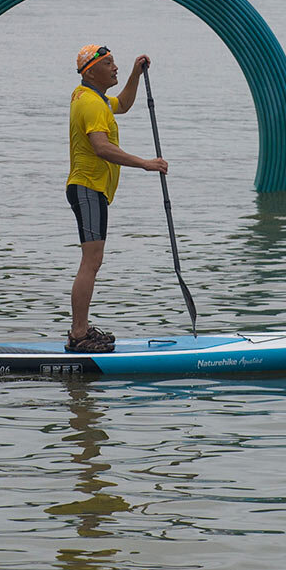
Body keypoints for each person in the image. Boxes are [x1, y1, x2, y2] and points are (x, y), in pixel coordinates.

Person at [64, 44, 168, 353]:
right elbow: (102, 148)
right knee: (91, 262)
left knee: (92, 261)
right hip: (88, 188)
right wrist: (146, 164)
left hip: (91, 189)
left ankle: (80, 329)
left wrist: (136, 74)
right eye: (109, 63)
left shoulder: (92, 97)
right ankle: (79, 334)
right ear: (91, 72)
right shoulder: (92, 105)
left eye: (115, 63)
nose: (115, 67)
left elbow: (122, 104)